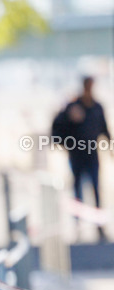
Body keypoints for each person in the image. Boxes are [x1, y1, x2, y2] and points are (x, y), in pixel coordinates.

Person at [52, 76, 110, 239]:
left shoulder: (97, 107)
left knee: (96, 188)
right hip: (77, 155)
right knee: (78, 189)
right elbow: (57, 127)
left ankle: (99, 225)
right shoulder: (73, 107)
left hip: (92, 154)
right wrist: (65, 143)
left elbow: (104, 129)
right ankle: (77, 225)